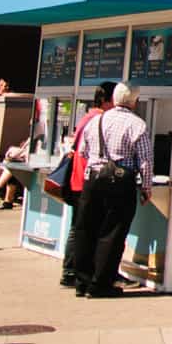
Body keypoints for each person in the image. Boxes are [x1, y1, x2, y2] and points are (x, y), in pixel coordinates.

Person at [71, 80, 153, 298]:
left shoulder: (96, 121)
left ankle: (82, 281)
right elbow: (145, 160)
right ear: (134, 102)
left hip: (93, 179)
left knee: (87, 229)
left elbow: (83, 152)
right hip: (120, 183)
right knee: (112, 234)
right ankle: (101, 283)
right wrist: (146, 187)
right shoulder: (137, 125)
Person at [59, 83, 114, 288]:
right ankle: (74, 271)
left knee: (79, 227)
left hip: (79, 178)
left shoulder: (87, 118)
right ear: (108, 100)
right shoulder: (98, 119)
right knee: (85, 228)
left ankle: (72, 270)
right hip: (86, 179)